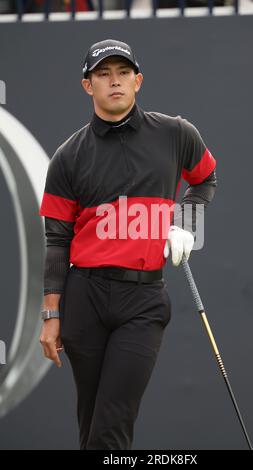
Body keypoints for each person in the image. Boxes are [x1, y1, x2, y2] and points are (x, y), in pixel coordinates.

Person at [39, 38, 217, 450]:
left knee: (113, 418)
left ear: (138, 81)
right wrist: (51, 312)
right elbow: (57, 239)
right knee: (92, 420)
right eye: (103, 74)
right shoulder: (68, 156)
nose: (114, 82)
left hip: (143, 298)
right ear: (88, 86)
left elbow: (205, 177)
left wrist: (185, 223)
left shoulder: (175, 133)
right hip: (85, 297)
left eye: (122, 73)